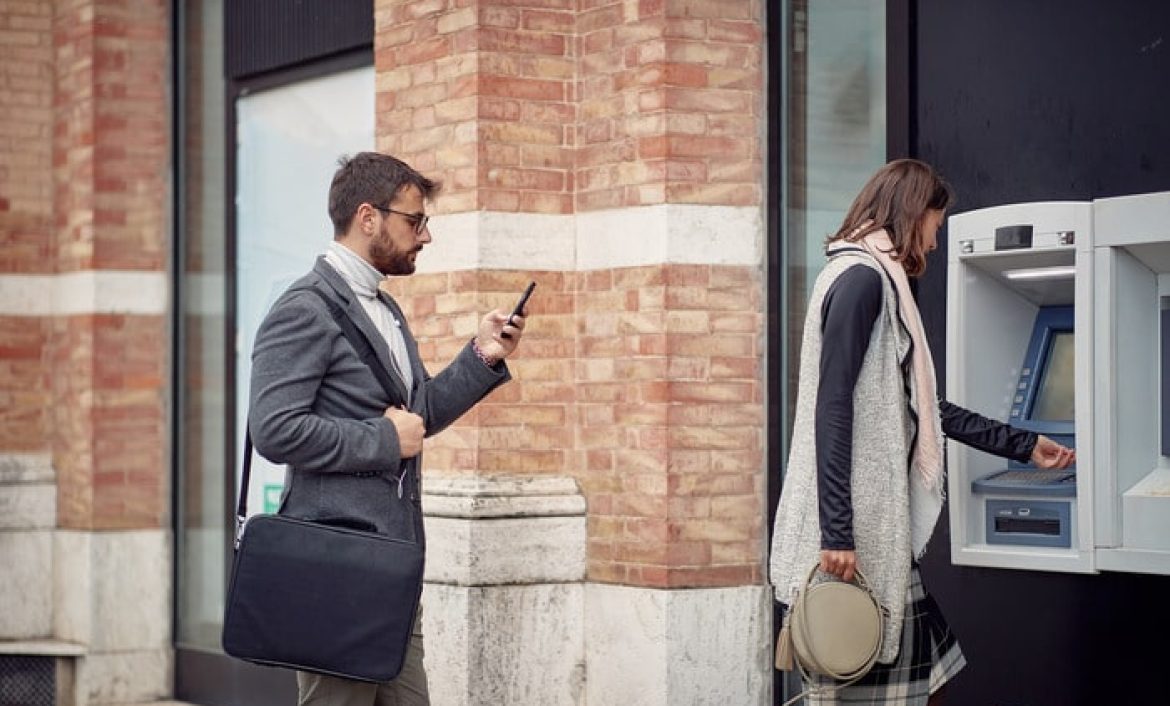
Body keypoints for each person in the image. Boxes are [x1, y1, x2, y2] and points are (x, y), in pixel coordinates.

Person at [769, 159, 1074, 705]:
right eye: (936, 223)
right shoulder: (862, 282)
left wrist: (1023, 444)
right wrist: (836, 532)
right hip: (855, 543)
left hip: (881, 539)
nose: (935, 242)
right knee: (864, 685)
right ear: (912, 214)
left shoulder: (876, 283)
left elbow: (919, 408)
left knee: (932, 678)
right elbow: (831, 407)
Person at [248, 151, 526, 706]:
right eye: (415, 221)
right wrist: (381, 440)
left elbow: (415, 418)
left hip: (393, 574)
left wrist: (482, 355)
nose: (425, 237)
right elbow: (274, 430)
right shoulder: (304, 308)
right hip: (338, 575)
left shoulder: (384, 309)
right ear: (368, 217)